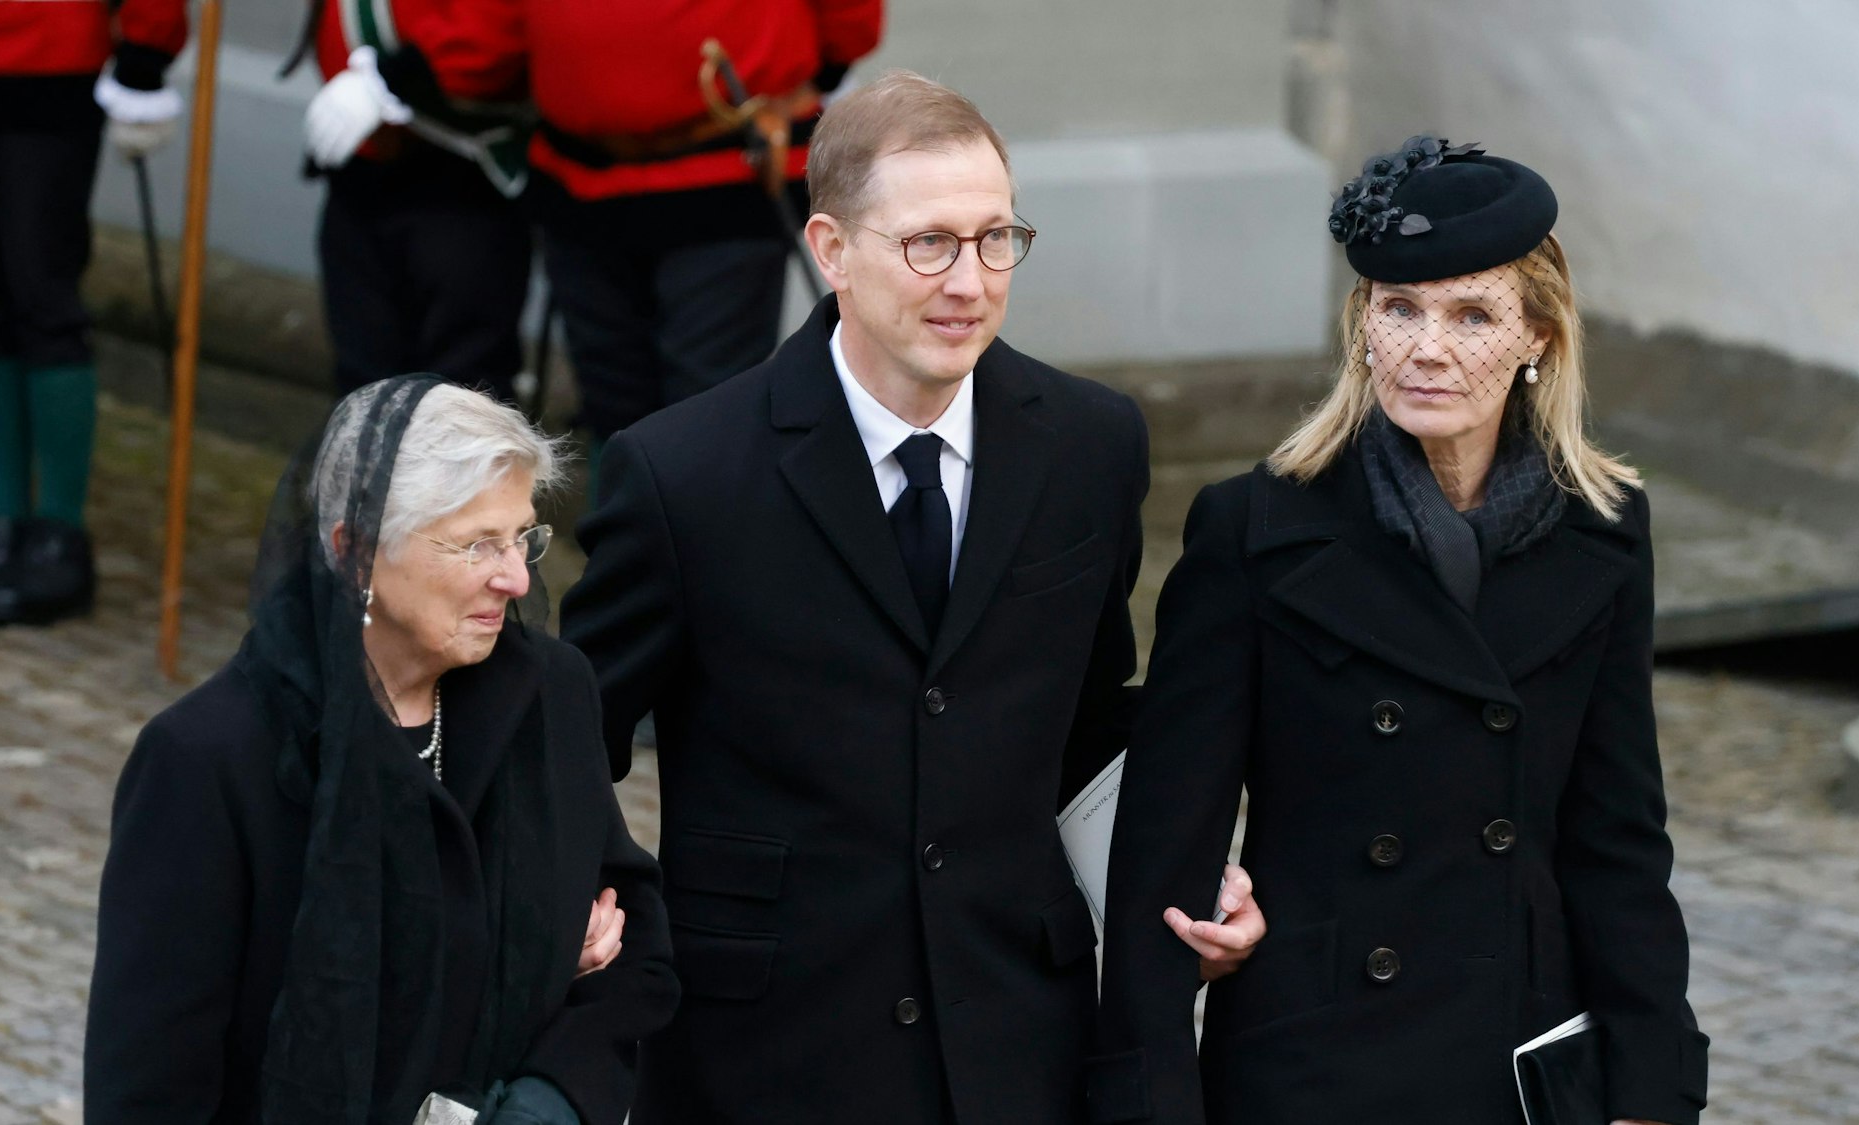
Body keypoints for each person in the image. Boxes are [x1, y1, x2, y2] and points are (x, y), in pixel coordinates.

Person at [559, 72, 1143, 1124]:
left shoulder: (1092, 446)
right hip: (763, 1047)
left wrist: (1176, 889)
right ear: (830, 251)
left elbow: (1093, 725)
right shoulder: (681, 475)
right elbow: (566, 733)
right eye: (929, 244)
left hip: (1016, 1037)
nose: (970, 281)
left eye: (995, 240)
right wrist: (595, 915)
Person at [1088, 137, 1708, 1125]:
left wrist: (1648, 1087)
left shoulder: (1602, 530)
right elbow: (1163, 845)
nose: (1426, 347)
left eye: (1472, 316)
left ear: (1538, 337)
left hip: (1517, 1051)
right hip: (1313, 1052)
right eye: (1399, 307)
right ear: (1362, 325)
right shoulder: (1256, 529)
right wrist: (1149, 1093)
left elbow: (1616, 837)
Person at [85, 379, 678, 1124]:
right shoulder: (209, 760)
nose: (517, 577)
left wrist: (550, 1100)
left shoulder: (550, 696)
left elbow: (634, 945)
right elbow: (150, 1085)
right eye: (477, 544)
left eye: (522, 537)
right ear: (356, 552)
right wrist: (551, 957)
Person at [0, 0, 185, 624]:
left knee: (42, 298)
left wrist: (147, 44)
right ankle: (0, 525)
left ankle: (59, 539)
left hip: (45, 58)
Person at [520, 0, 880, 452]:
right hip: (584, 179)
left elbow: (851, 25)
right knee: (621, 408)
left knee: (708, 410)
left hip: (726, 175)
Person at [293, 0, 535, 401]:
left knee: (461, 388)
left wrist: (392, 79)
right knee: (364, 379)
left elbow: (497, 26)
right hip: (363, 165)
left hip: (457, 175)